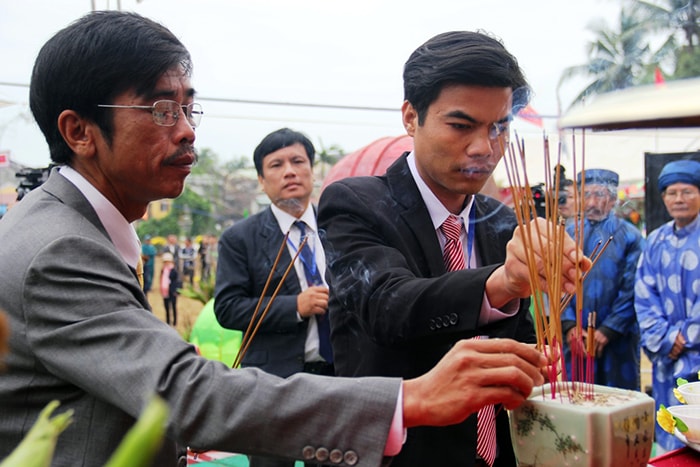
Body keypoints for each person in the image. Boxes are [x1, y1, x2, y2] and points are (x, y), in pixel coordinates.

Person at [0, 12, 551, 467]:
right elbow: (187, 391)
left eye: (189, 107)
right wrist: (412, 397)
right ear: (79, 132)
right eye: (162, 110)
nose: (188, 129)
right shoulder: (58, 248)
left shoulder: (503, 221)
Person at [317, 30, 591, 467]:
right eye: (461, 126)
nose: (484, 148)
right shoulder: (354, 203)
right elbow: (389, 305)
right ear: (411, 117)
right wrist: (501, 282)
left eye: (499, 128)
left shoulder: (502, 220)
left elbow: (510, 336)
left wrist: (535, 360)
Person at [215, 127, 333, 467]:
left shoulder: (340, 225)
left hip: (337, 378)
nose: (290, 171)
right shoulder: (241, 238)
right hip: (271, 383)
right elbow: (227, 308)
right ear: (262, 181)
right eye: (276, 164)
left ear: (312, 170)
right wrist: (294, 306)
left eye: (298, 161)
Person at [635, 159, 700, 453]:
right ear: (663, 197)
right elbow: (644, 295)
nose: (678, 199)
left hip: (696, 356)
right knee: (670, 436)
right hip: (665, 359)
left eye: (686, 191)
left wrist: (686, 335)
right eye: (671, 192)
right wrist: (665, 337)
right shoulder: (655, 241)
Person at [561, 169, 644, 390]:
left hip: (618, 339)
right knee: (577, 403)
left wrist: (608, 330)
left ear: (614, 198)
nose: (591, 202)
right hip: (575, 339)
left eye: (599, 194)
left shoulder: (631, 237)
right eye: (585, 195)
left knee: (618, 406)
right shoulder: (568, 234)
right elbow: (555, 284)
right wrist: (570, 326)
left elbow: (633, 289)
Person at [161, 252, 181, 326]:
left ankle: (175, 322)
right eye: (165, 261)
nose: (166, 263)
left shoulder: (174, 271)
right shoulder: (163, 270)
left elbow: (178, 281)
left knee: (173, 306)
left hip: (172, 292)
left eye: (168, 261)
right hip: (165, 292)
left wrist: (177, 291)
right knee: (166, 307)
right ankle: (168, 321)